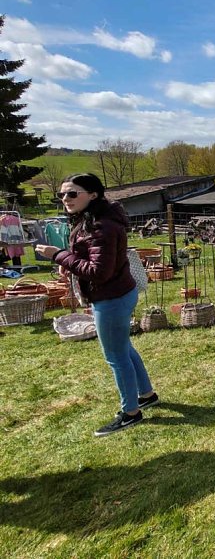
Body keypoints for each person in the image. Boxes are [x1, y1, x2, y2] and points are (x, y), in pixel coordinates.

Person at [35, 174, 158, 437]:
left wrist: (58, 255)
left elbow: (98, 272)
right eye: (62, 195)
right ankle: (146, 394)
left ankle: (131, 413)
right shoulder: (94, 220)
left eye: (72, 193)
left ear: (93, 195)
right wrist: (68, 260)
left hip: (111, 298)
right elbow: (94, 261)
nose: (65, 199)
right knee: (124, 348)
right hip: (118, 293)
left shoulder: (101, 227)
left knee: (116, 357)